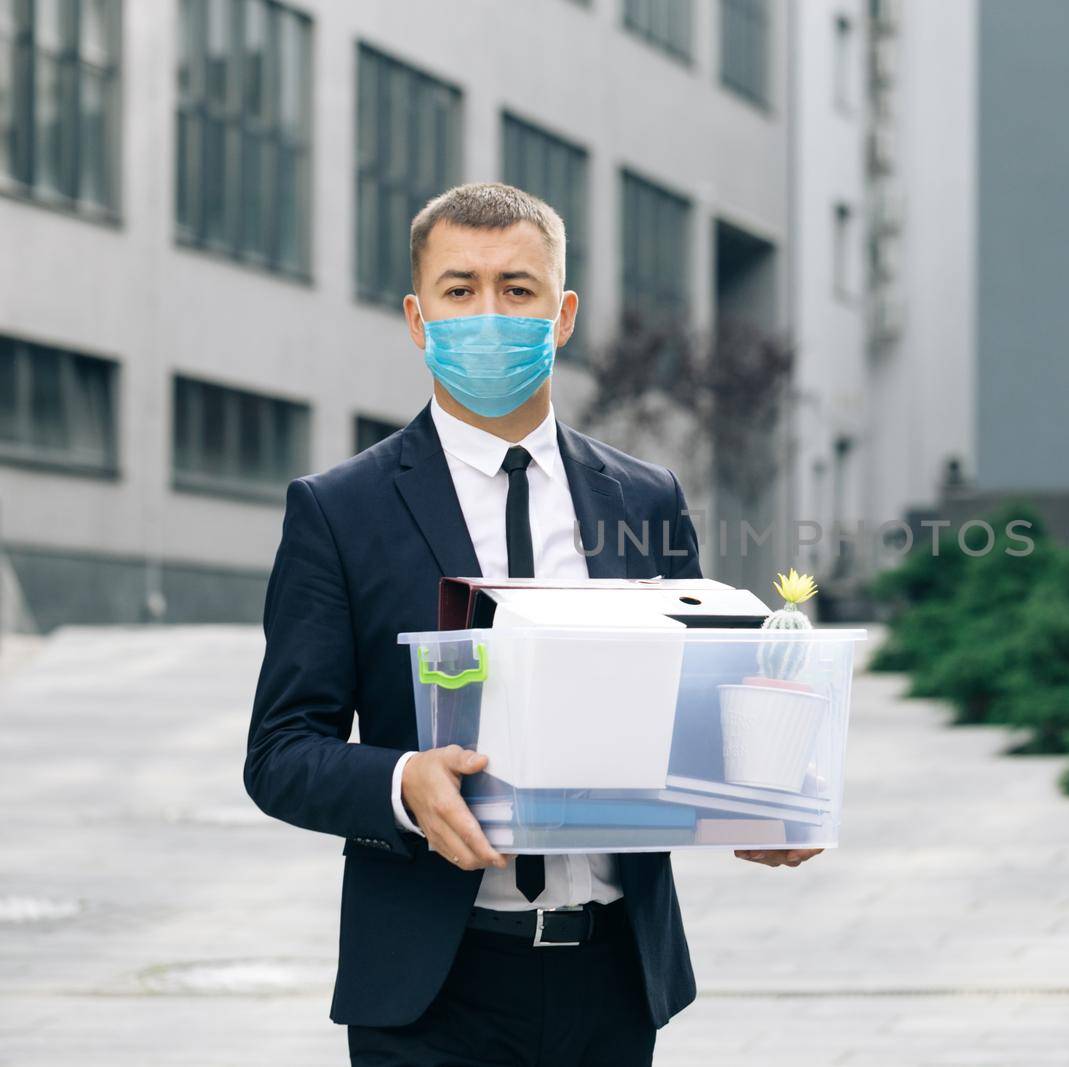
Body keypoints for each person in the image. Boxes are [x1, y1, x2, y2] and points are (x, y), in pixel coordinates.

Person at [242, 182, 821, 1066]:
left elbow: (691, 704)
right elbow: (281, 750)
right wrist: (404, 783)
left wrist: (770, 795)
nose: (488, 313)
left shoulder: (645, 498)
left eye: (517, 290)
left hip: (612, 985)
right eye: (459, 290)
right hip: (432, 993)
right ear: (416, 316)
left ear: (563, 313)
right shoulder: (338, 511)